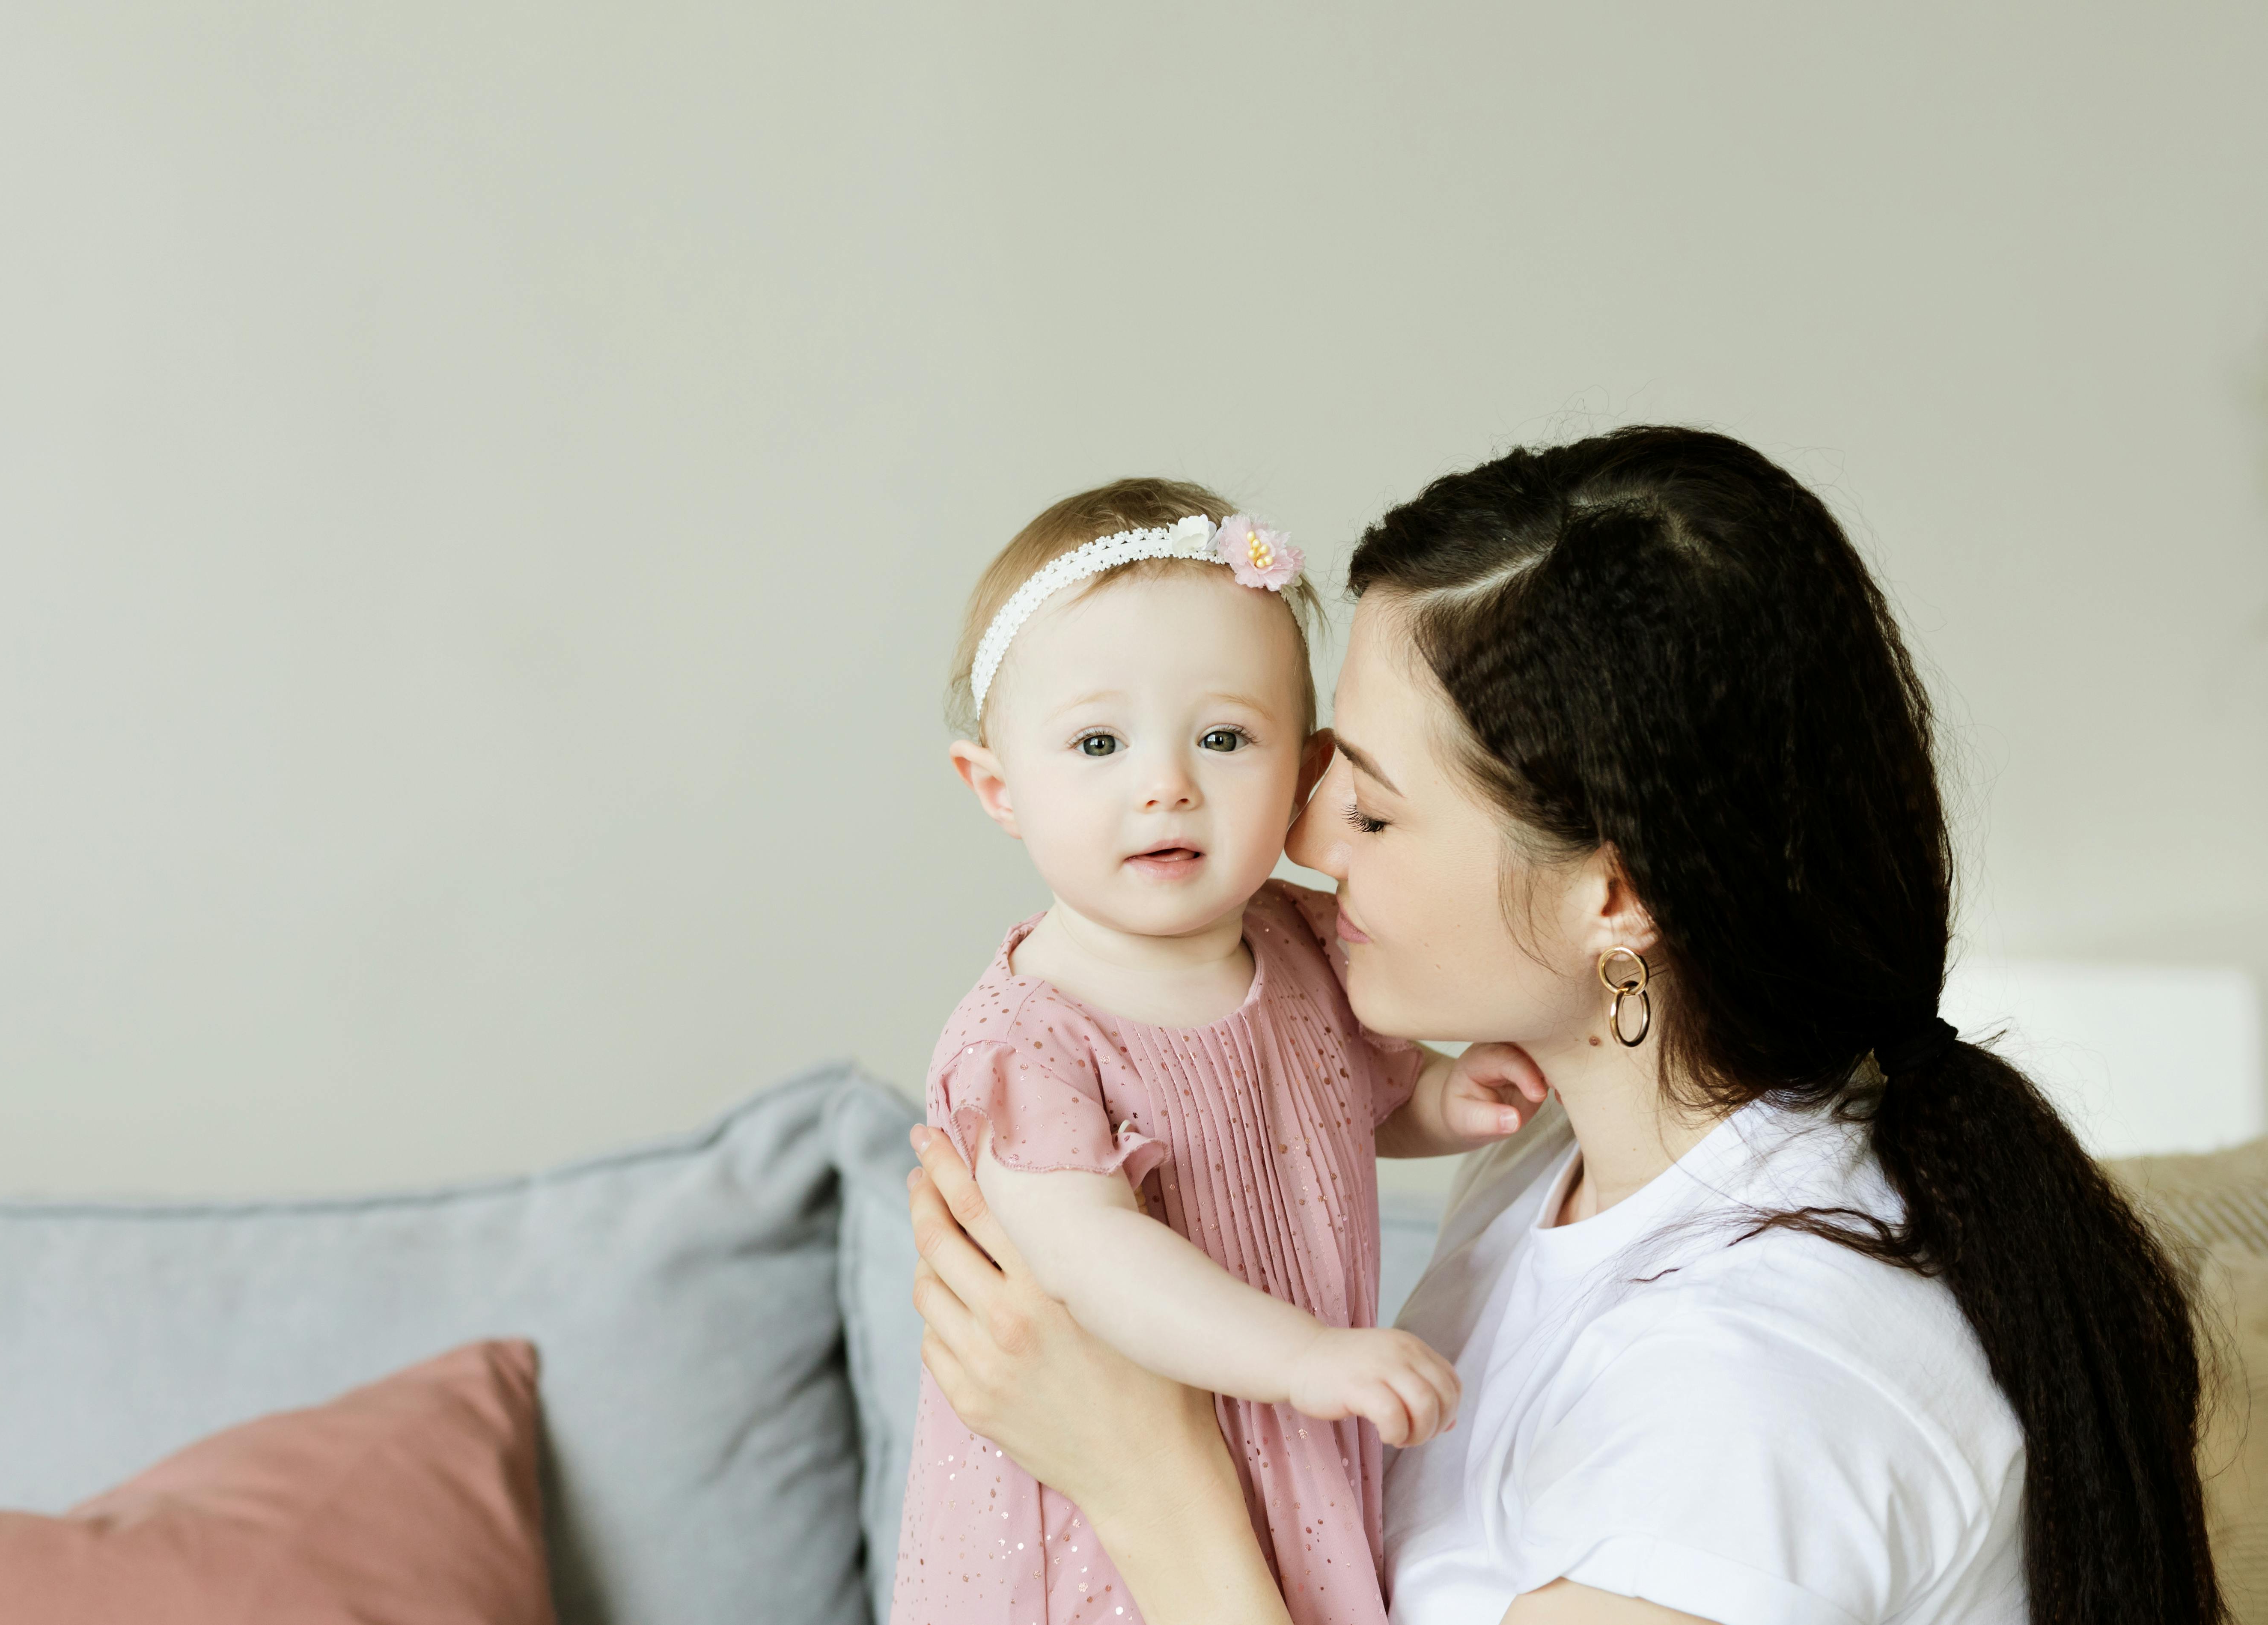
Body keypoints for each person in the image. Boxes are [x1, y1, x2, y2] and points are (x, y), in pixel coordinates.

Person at [904, 430, 2221, 1625]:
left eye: (1364, 808)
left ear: (1612, 893)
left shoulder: (1748, 1403)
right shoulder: (1562, 1158)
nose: (1296, 842)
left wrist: (1146, 1477)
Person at [896, 478, 1551, 1625]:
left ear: (1303, 774)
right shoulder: (1026, 1040)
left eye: (1223, 736)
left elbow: (1342, 1101)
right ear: (996, 788)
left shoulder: (1300, 943)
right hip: (1102, 1489)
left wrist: (1444, 1096)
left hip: (1286, 1442)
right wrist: (1301, 1355)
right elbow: (1090, 1257)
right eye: (1098, 741)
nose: (1165, 783)